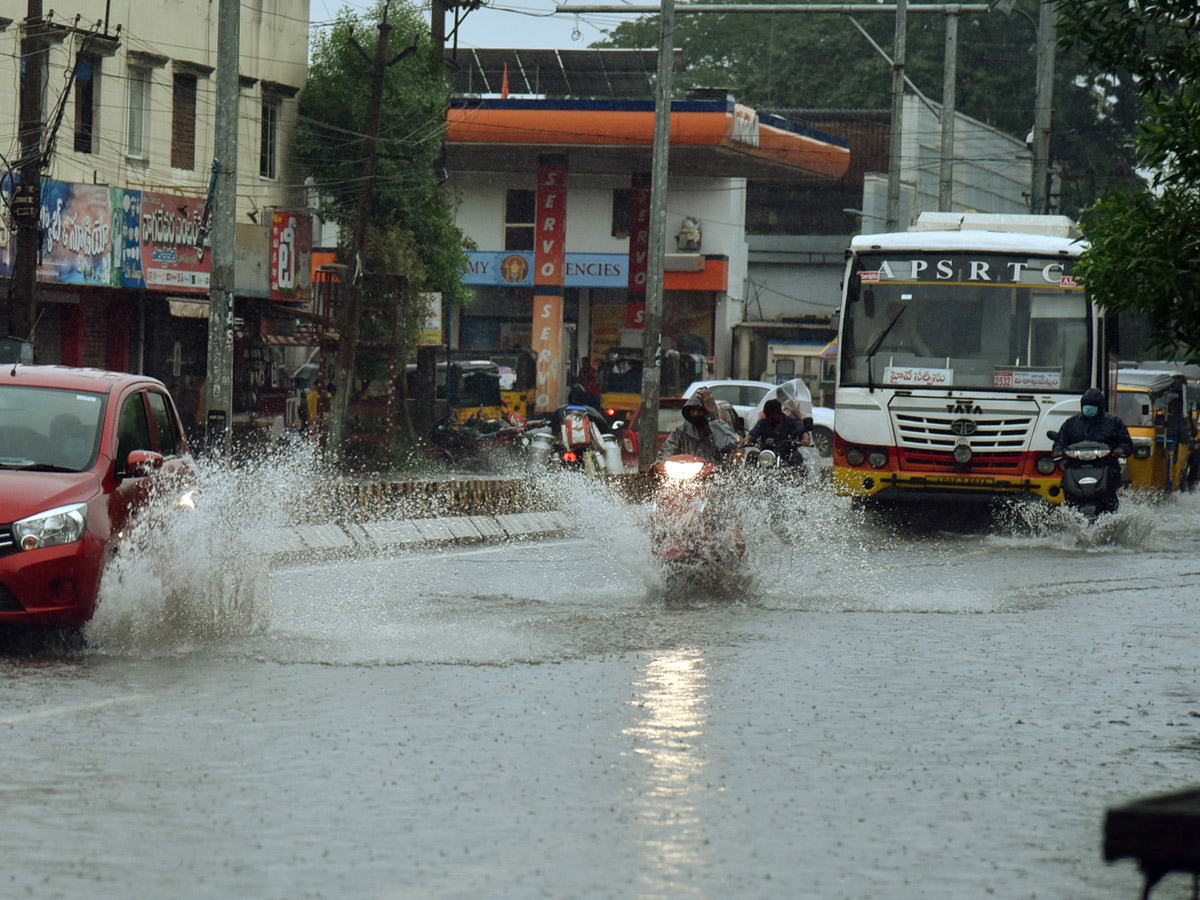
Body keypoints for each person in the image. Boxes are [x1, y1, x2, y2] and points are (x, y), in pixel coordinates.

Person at [1053, 386, 1134, 510]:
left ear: (1100, 406)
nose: (1088, 408)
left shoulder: (1114, 423)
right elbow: (1060, 441)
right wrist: (1058, 451)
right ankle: (1070, 509)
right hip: (1076, 467)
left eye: (1092, 405)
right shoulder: (1071, 423)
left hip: (1105, 466)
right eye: (1086, 405)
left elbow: (1126, 443)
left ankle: (1112, 510)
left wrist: (1120, 450)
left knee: (1113, 484)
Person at [658, 388, 738, 463]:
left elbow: (726, 445)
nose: (696, 413)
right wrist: (658, 464)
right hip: (687, 473)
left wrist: (712, 417)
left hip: (715, 473)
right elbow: (667, 451)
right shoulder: (681, 431)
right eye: (693, 410)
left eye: (700, 410)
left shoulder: (721, 427)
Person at [746, 398, 808, 464]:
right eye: (767, 416)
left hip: (787, 456)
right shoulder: (763, 423)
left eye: (770, 416)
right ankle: (748, 474)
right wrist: (745, 440)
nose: (769, 419)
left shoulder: (792, 423)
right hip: (766, 456)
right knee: (752, 455)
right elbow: (753, 433)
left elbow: (802, 431)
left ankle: (797, 474)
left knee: (796, 457)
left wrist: (805, 439)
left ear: (778, 413)